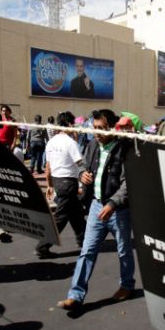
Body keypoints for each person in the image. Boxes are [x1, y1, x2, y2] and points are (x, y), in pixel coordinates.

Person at [57, 109, 134, 310]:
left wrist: (113, 204)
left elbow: (129, 183)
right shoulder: (92, 145)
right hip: (96, 206)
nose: (96, 132)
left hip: (119, 211)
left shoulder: (124, 148)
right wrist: (82, 174)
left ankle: (127, 286)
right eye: (94, 128)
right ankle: (75, 295)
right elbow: (82, 165)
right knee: (87, 252)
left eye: (101, 128)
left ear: (112, 127)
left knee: (124, 251)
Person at [35, 112, 87, 259]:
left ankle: (83, 240)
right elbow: (80, 163)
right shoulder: (70, 143)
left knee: (76, 213)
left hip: (57, 181)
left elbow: (48, 167)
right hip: (68, 182)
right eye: (73, 124)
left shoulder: (51, 142)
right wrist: (85, 179)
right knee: (60, 218)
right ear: (69, 124)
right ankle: (42, 247)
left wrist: (50, 185)